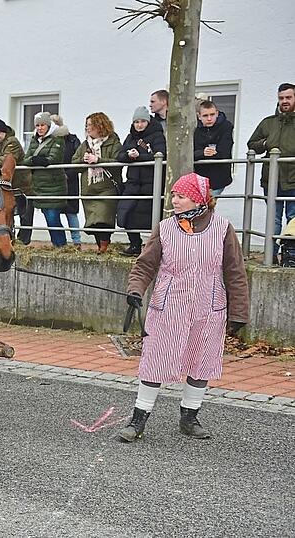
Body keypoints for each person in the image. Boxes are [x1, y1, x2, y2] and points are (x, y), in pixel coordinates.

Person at [116, 173, 249, 443]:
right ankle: (138, 420)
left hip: (208, 308)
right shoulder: (164, 228)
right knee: (154, 362)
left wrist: (238, 313)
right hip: (168, 306)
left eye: (181, 196)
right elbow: (145, 266)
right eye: (173, 195)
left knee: (200, 363)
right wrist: (135, 290)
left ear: (198, 199)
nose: (174, 200)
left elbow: (235, 272)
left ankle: (189, 418)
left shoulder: (223, 228)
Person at [247, 82, 295, 263]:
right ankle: (271, 255)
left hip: (293, 180)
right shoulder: (269, 123)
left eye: (288, 97)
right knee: (273, 220)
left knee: (293, 219)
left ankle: (291, 256)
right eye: (281, 98)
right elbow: (251, 144)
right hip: (272, 180)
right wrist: (265, 145)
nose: (284, 101)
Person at [117, 106, 166, 257]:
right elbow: (119, 155)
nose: (139, 125)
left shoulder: (157, 135)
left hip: (151, 183)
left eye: (142, 121)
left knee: (151, 217)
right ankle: (134, 244)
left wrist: (139, 156)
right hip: (133, 182)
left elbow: (160, 155)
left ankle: (154, 248)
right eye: (137, 122)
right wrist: (128, 155)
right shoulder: (131, 137)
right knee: (126, 212)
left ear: (148, 121)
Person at [72, 112, 123, 254]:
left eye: (90, 125)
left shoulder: (113, 142)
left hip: (106, 188)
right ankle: (100, 246)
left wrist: (98, 160)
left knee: (104, 218)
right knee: (93, 220)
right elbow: (73, 162)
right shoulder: (85, 144)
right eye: (86, 125)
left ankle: (104, 246)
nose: (87, 128)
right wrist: (84, 160)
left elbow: (118, 163)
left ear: (100, 125)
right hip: (89, 188)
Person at [0, 118, 34, 244]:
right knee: (6, 213)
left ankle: (24, 241)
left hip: (20, 185)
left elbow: (8, 159)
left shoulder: (12, 142)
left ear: (4, 133)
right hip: (1, 186)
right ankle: (10, 238)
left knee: (25, 214)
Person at [22, 112, 68, 247]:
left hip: (54, 185)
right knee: (49, 218)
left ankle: (60, 244)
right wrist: (37, 160)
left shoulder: (58, 139)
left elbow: (54, 159)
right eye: (37, 125)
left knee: (53, 218)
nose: (40, 128)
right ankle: (57, 244)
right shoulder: (34, 140)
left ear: (48, 125)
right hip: (39, 186)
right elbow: (26, 159)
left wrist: (38, 160)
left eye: (42, 125)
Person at [52, 115, 82, 248]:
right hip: (54, 181)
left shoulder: (73, 140)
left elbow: (78, 159)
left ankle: (76, 241)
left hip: (70, 181)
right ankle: (59, 242)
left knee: (71, 212)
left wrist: (67, 174)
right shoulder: (49, 140)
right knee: (54, 213)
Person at [194, 100, 235, 196]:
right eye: (205, 115)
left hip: (219, 178)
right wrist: (202, 153)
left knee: (206, 207)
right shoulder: (194, 129)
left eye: (212, 115)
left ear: (217, 113)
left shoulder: (226, 126)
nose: (209, 118)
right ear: (199, 116)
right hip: (199, 179)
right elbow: (188, 154)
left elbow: (224, 152)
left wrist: (200, 154)